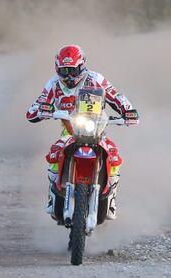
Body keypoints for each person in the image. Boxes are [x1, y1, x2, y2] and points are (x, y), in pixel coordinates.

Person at [26, 45, 139, 221]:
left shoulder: (95, 79)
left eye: (73, 70)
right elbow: (34, 109)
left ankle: (111, 199)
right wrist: (41, 110)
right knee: (55, 153)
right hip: (69, 132)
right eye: (64, 71)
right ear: (57, 68)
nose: (69, 76)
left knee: (114, 155)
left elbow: (117, 96)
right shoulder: (53, 84)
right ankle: (53, 196)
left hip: (97, 130)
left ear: (82, 65)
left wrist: (129, 111)